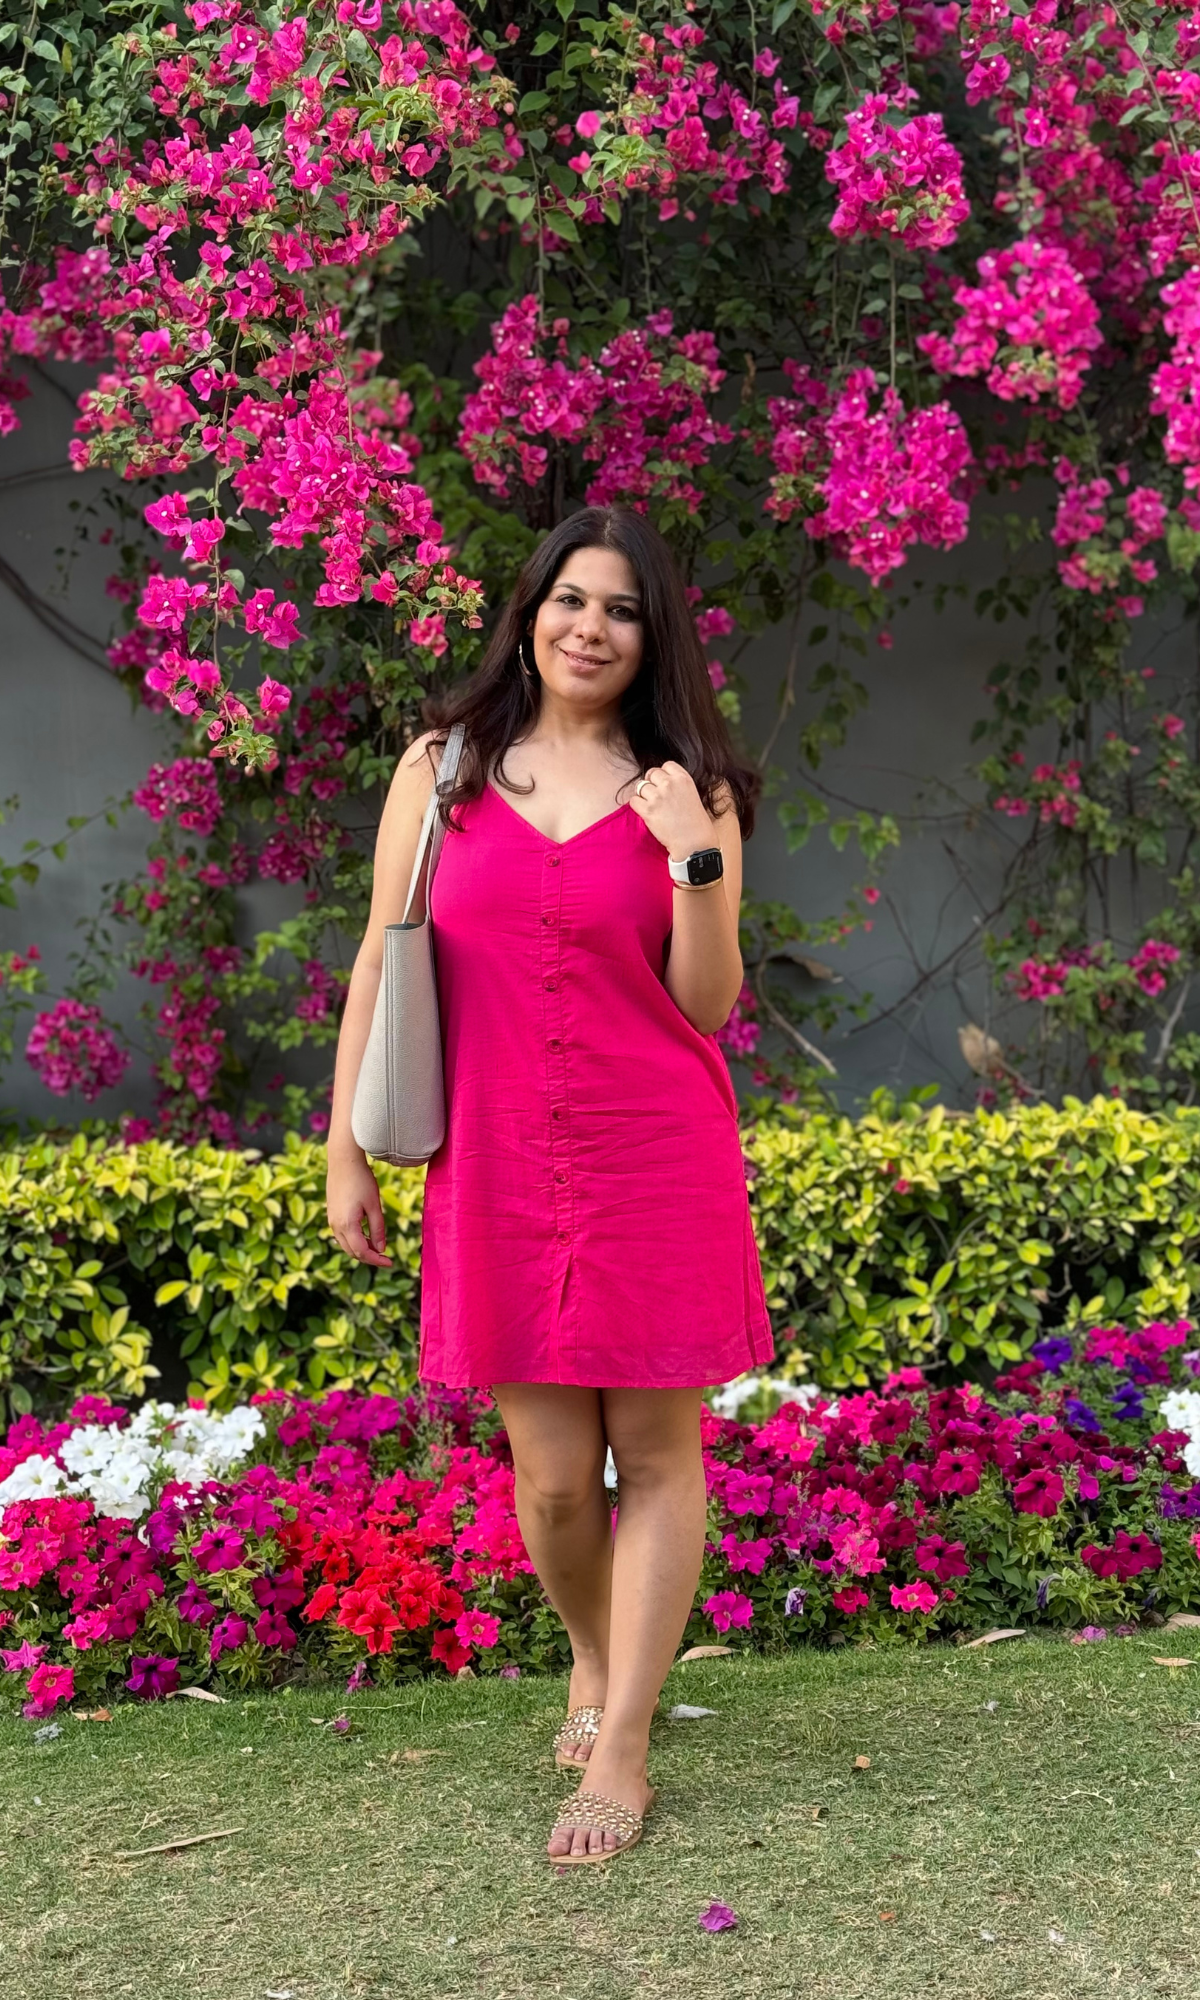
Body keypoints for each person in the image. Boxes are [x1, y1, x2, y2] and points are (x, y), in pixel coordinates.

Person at [325, 504, 775, 1865]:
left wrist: (693, 857)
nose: (591, 626)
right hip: (499, 1158)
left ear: (653, 640)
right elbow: (377, 957)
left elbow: (708, 1001)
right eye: (571, 599)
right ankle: (592, 1654)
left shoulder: (691, 788)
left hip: (655, 1151)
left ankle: (624, 1744)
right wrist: (346, 1145)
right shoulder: (444, 770)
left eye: (622, 609)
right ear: (530, 614)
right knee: (558, 1485)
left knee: (656, 1457)